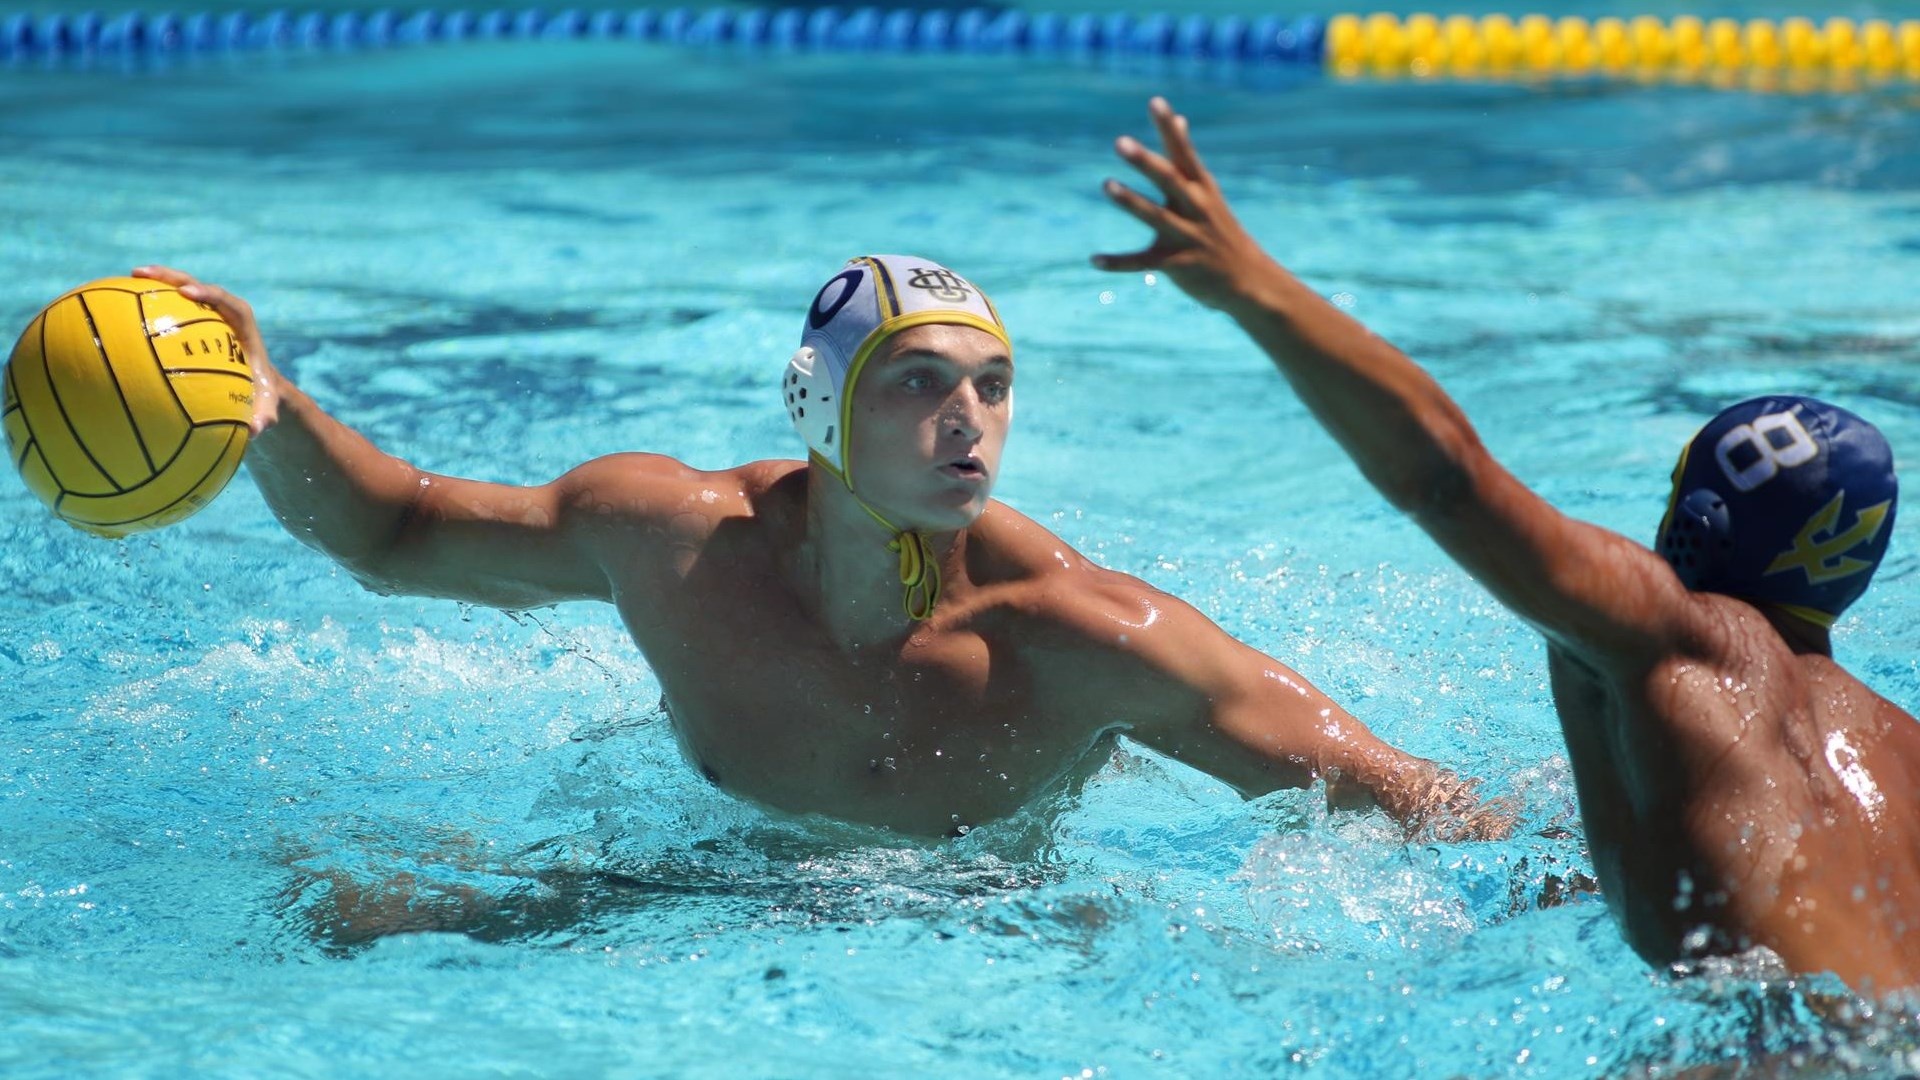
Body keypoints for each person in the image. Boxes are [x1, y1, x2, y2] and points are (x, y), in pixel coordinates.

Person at [128, 257, 1509, 843]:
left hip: (993, 945)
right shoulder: (667, 542)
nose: (968, 419)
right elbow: (393, 534)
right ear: (820, 409)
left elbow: (1397, 798)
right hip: (702, 891)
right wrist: (273, 408)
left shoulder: (1085, 640)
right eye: (918, 383)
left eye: (992, 384)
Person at [1093, 97, 1919, 995]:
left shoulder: (1673, 637)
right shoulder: (1902, 746)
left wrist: (1251, 283)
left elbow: (1446, 478)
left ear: (1692, 518)